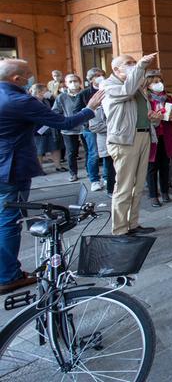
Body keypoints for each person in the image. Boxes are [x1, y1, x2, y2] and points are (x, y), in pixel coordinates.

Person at [0, 59, 103, 293]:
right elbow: (63, 122)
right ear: (16, 79)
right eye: (27, 75)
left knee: (4, 217)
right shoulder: (19, 99)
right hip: (10, 167)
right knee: (9, 220)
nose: (31, 78)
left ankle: (6, 269)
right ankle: (8, 275)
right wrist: (90, 108)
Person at [102, 53, 159, 236]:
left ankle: (133, 223)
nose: (133, 66)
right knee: (124, 186)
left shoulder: (137, 86)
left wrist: (153, 119)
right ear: (116, 69)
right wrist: (141, 66)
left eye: (134, 62)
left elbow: (140, 112)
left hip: (143, 136)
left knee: (138, 184)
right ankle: (119, 229)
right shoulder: (109, 85)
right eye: (129, 63)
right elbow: (126, 92)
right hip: (124, 141)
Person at [144, 71, 172, 207]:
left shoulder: (169, 98)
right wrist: (154, 116)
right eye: (155, 82)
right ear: (148, 85)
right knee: (152, 167)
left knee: (165, 165)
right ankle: (153, 195)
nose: (159, 84)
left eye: (160, 80)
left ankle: (165, 191)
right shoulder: (146, 99)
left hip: (166, 135)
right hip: (152, 137)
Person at [53, 73, 86, 182]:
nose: (73, 83)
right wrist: (63, 120)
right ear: (66, 84)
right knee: (71, 152)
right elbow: (55, 111)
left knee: (89, 151)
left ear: (80, 82)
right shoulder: (61, 96)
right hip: (69, 129)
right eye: (70, 81)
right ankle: (73, 173)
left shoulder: (85, 93)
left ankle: (90, 171)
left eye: (75, 81)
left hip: (85, 127)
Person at [87, 82, 116, 197]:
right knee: (109, 166)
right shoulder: (98, 108)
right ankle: (111, 189)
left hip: (121, 139)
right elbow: (94, 126)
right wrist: (115, 126)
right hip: (106, 140)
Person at [80, 68, 106, 191]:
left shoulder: (108, 90)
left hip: (107, 126)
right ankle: (94, 180)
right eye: (96, 75)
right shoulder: (84, 93)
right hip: (90, 128)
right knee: (94, 154)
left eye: (102, 75)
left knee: (107, 153)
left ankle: (106, 177)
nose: (100, 77)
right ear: (90, 79)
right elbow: (77, 111)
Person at [29, 84, 64, 173]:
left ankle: (58, 166)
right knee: (39, 150)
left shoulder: (47, 101)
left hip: (50, 127)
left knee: (55, 147)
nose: (47, 92)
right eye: (46, 90)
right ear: (39, 92)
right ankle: (39, 169)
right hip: (38, 129)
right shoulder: (30, 101)